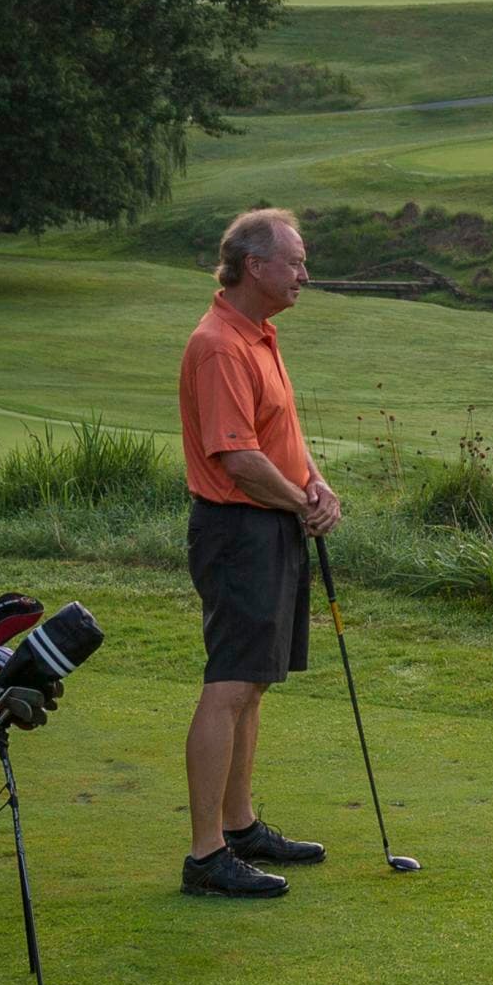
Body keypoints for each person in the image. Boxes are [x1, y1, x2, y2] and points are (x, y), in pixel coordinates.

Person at [176, 206, 344, 899]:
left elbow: (277, 439)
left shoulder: (260, 336)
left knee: (256, 683)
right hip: (237, 530)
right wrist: (300, 502)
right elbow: (237, 458)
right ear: (255, 265)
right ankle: (206, 855)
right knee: (231, 684)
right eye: (295, 261)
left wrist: (316, 482)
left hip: (268, 524)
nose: (305, 273)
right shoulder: (219, 344)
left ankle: (239, 825)